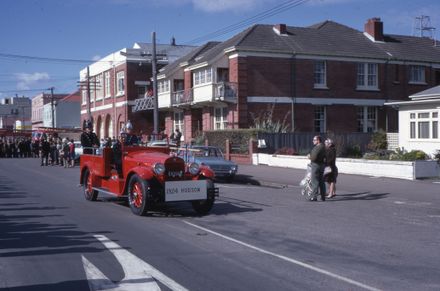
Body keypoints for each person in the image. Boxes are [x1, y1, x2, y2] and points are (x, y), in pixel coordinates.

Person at [308, 135, 326, 201]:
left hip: (316, 165)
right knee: (321, 181)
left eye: (314, 140)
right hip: (322, 165)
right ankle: (323, 197)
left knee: (314, 181)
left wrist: (309, 157)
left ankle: (314, 197)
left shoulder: (318, 147)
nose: (313, 141)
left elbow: (314, 157)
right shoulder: (324, 147)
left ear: (318, 140)